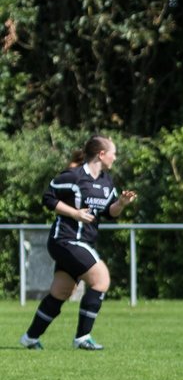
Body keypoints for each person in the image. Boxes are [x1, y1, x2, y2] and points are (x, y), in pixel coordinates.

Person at [20, 136, 137, 351]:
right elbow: (48, 198)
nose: (115, 157)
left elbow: (109, 213)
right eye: (113, 152)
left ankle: (30, 338)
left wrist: (121, 203)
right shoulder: (73, 176)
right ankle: (83, 337)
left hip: (82, 243)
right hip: (65, 240)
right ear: (101, 155)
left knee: (61, 292)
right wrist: (75, 213)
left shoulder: (106, 181)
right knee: (101, 279)